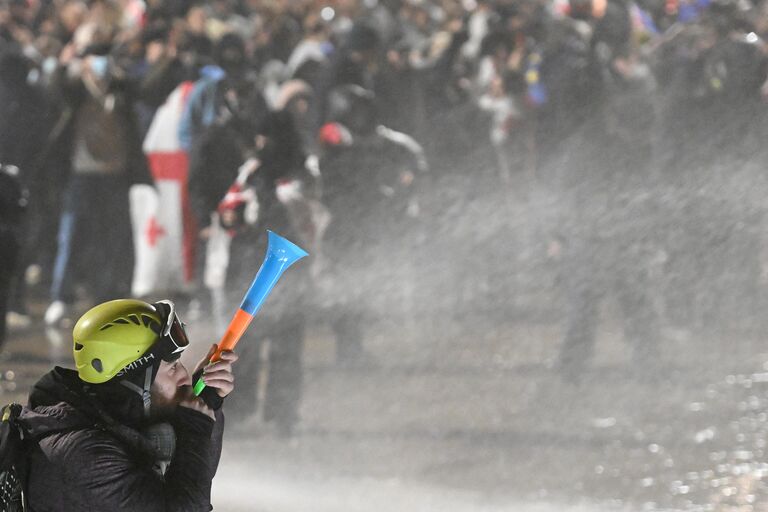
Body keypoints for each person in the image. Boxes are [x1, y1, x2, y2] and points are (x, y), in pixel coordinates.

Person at [19, 298, 237, 511]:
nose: (184, 376)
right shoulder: (88, 456)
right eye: (171, 368)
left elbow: (189, 483)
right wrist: (195, 429)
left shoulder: (112, 416)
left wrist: (208, 404)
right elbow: (186, 501)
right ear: (135, 383)